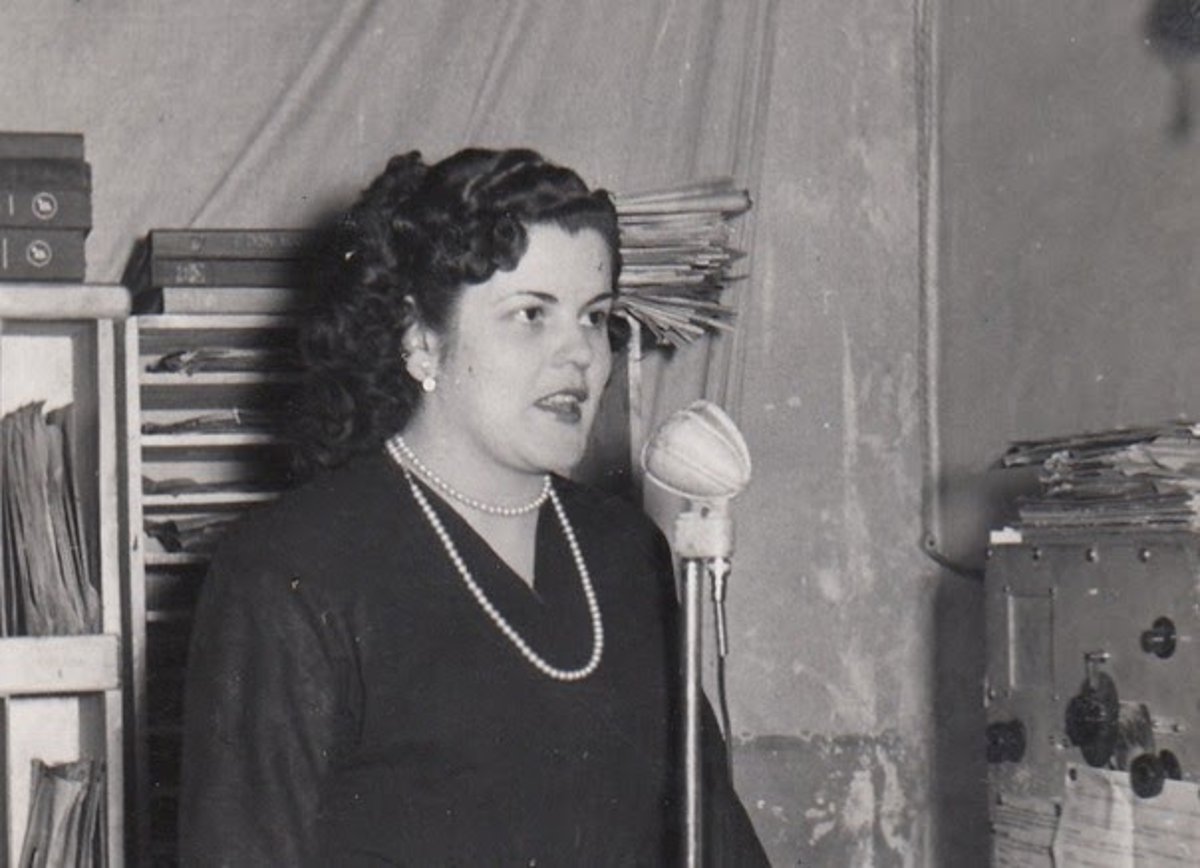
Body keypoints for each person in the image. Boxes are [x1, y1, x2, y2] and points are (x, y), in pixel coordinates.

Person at [178, 148, 769, 866]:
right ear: (421, 341)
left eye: (595, 317)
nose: (580, 355)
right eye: (531, 314)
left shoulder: (626, 552)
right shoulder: (291, 570)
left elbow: (716, 837)